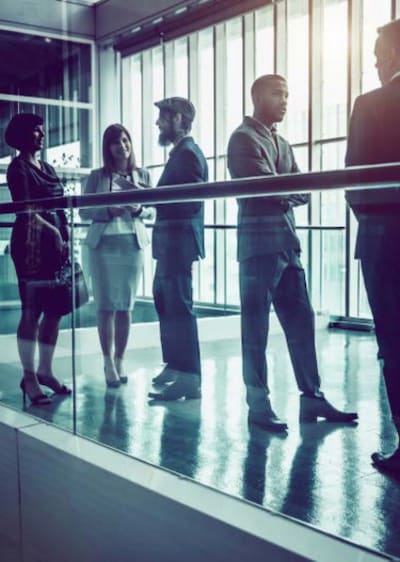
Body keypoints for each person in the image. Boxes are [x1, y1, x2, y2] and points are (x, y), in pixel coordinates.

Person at [227, 75, 358, 432]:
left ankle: (312, 398)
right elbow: (267, 190)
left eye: (287, 93)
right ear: (256, 96)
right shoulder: (241, 139)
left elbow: (300, 188)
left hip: (287, 245)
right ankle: (258, 406)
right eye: (277, 94)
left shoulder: (281, 142)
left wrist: (286, 190)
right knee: (254, 329)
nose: (285, 100)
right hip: (258, 249)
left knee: (301, 323)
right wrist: (288, 190)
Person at [345, 19, 400, 475]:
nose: (377, 62)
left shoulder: (370, 104)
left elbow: (353, 181)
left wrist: (374, 223)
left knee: (395, 343)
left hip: (384, 239)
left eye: (380, 53)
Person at [5, 113, 72, 405]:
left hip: (55, 243)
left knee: (55, 308)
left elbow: (59, 205)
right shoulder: (17, 168)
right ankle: (29, 377)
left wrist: (65, 236)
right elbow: (26, 209)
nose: (42, 134)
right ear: (22, 136)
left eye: (42, 129)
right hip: (31, 244)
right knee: (31, 310)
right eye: (35, 130)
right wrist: (55, 233)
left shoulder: (47, 167)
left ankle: (45, 370)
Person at [80, 124, 153, 387]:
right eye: (115, 142)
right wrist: (108, 211)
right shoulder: (97, 176)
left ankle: (120, 359)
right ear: (107, 148)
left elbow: (153, 211)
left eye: (125, 140)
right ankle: (107, 361)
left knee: (125, 306)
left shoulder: (143, 174)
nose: (121, 146)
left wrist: (138, 210)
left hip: (131, 245)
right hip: (103, 246)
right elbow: (84, 212)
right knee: (106, 306)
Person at [148, 97, 208, 401]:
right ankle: (175, 367)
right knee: (166, 302)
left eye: (163, 118)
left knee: (179, 308)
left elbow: (189, 202)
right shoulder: (180, 154)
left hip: (178, 244)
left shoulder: (188, 155)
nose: (157, 123)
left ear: (179, 119)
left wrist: (149, 196)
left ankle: (190, 379)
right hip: (171, 244)